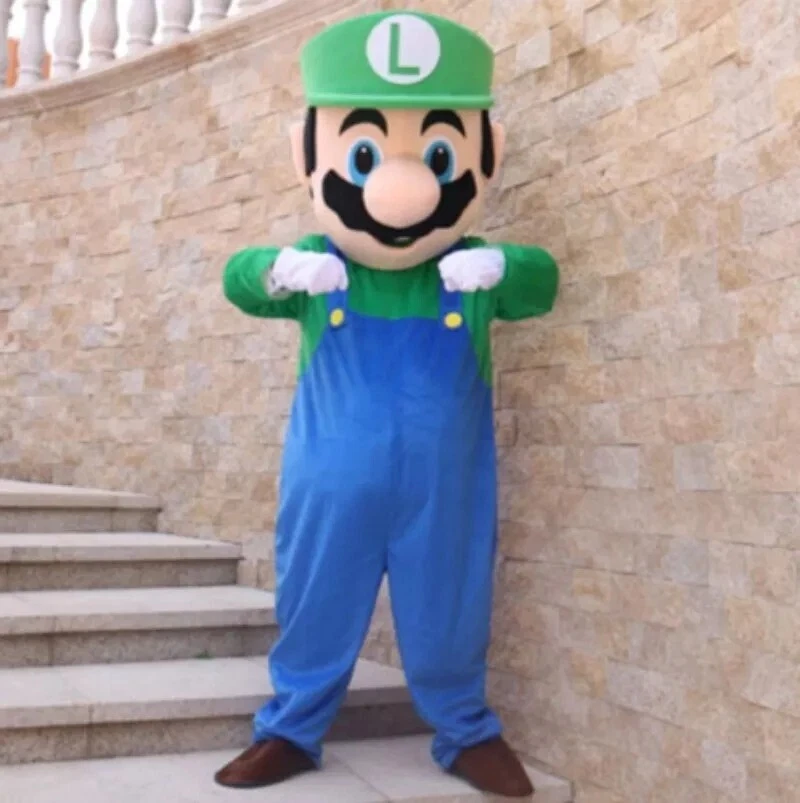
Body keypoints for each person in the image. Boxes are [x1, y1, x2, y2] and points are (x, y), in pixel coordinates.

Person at [216, 10, 558, 797]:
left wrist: (506, 265)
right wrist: (276, 269)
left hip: (445, 490)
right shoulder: (320, 264)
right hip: (330, 487)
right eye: (365, 155)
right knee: (316, 598)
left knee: (451, 602)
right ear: (308, 154)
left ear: (486, 152)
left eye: (437, 156)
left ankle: (466, 729)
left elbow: (544, 282)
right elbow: (239, 279)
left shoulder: (470, 270)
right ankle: (291, 728)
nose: (403, 187)